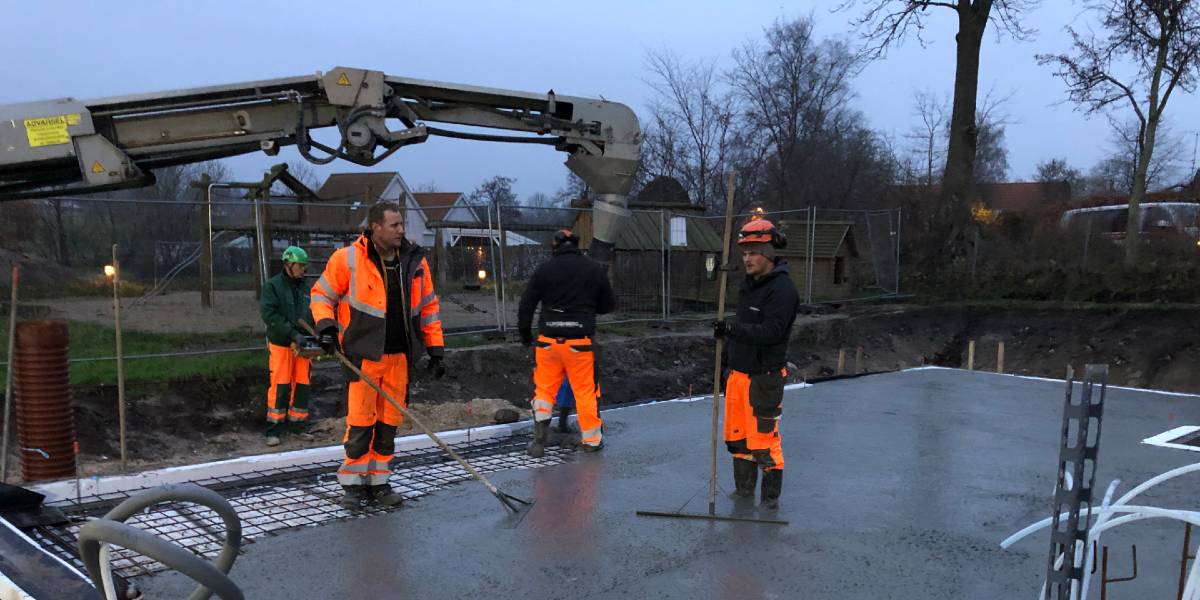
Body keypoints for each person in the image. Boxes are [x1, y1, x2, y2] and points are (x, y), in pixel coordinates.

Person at [310, 202, 447, 510]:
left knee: (388, 423)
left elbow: (428, 307)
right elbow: (321, 295)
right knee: (360, 422)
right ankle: (353, 486)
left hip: (399, 356)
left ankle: (379, 483)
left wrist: (435, 348)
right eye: (395, 225)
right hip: (363, 355)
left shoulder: (414, 262)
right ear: (376, 227)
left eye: (402, 225)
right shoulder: (348, 259)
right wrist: (327, 327)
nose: (402, 231)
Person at [713, 218, 799, 509]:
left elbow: (772, 333)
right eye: (744, 252)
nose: (747, 258)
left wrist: (732, 330)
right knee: (739, 441)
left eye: (753, 251)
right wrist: (725, 361)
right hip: (738, 376)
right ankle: (743, 492)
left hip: (764, 379)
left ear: (769, 253)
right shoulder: (748, 287)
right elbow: (740, 329)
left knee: (764, 443)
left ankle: (770, 502)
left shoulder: (783, 290)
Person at [518, 229, 615, 457]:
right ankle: (591, 440)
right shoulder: (592, 269)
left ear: (555, 245)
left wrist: (525, 337)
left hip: (548, 343)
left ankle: (539, 442)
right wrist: (587, 308)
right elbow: (608, 305)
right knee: (584, 392)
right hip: (579, 343)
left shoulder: (545, 269)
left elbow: (526, 304)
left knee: (544, 392)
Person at [259, 245, 317, 447]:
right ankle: (273, 429)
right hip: (282, 344)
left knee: (302, 385)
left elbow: (313, 312)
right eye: (300, 266)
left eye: (304, 266)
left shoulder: (306, 288)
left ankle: (298, 425)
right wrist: (292, 334)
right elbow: (270, 315)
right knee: (280, 385)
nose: (304, 270)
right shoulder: (273, 286)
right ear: (288, 265)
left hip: (303, 344)